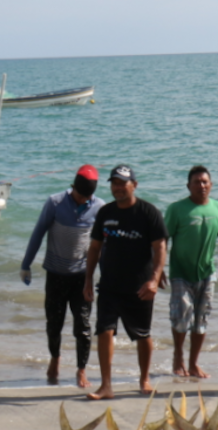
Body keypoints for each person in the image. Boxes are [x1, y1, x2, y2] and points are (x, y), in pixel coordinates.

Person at [83, 165, 168, 400]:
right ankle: (106, 386)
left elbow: (160, 247)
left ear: (135, 185)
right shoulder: (105, 213)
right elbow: (95, 247)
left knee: (142, 335)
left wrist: (154, 279)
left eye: (123, 183)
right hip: (109, 285)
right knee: (104, 331)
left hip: (139, 287)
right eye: (114, 183)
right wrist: (88, 279)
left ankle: (144, 380)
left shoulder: (148, 213)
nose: (118, 188)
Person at [20, 165, 105, 387]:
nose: (80, 200)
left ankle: (81, 370)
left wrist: (104, 277)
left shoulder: (99, 207)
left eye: (85, 197)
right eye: (78, 195)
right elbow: (38, 232)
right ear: (72, 187)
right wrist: (26, 264)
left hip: (82, 278)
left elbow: (101, 246)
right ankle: (55, 358)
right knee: (54, 323)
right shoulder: (55, 202)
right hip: (56, 275)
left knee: (83, 326)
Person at [164, 165, 218, 378]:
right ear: (188, 186)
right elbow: (162, 240)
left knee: (201, 319)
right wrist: (158, 268)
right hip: (180, 272)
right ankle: (178, 356)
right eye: (196, 182)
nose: (201, 185)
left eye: (204, 182)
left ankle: (193, 363)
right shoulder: (177, 209)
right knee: (181, 316)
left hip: (207, 272)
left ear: (211, 185)